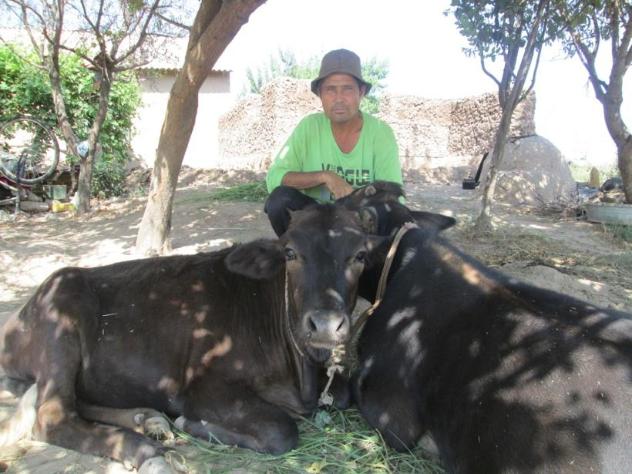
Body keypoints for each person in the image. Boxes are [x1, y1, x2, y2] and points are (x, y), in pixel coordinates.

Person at [264, 48, 403, 236]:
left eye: (347, 89)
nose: (339, 99)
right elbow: (274, 178)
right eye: (330, 89)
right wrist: (325, 176)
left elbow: (393, 197)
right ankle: (296, 253)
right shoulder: (309, 127)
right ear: (320, 94)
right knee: (279, 200)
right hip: (316, 220)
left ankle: (365, 255)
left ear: (361, 92)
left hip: (360, 223)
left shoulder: (380, 133)